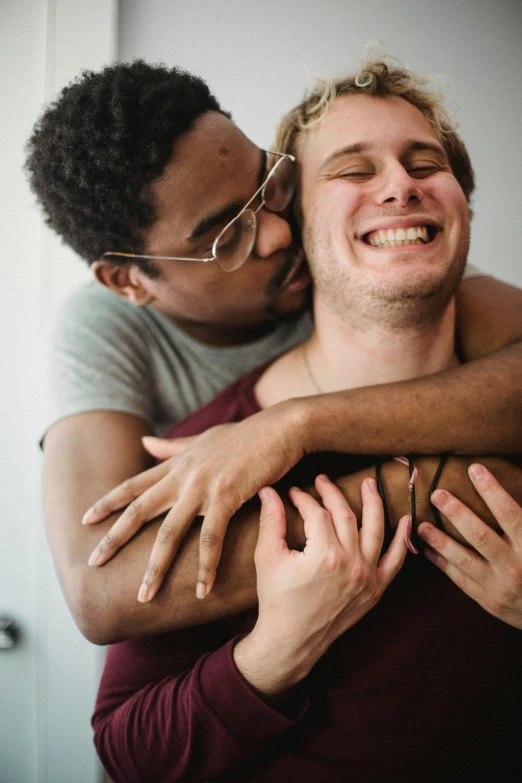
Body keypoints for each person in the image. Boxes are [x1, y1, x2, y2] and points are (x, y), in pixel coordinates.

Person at [90, 60, 521, 781]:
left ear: (465, 207)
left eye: (426, 162)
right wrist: (271, 655)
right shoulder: (204, 455)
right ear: (292, 228)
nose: (399, 185)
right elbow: (127, 751)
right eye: (353, 170)